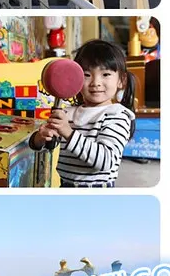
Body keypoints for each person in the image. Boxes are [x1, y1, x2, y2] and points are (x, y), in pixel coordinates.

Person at [30, 40, 136, 187]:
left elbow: (105, 161)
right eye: (86, 74)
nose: (95, 82)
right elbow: (47, 148)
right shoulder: (67, 112)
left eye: (105, 74)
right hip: (65, 186)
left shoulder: (117, 115)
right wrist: (40, 138)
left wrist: (68, 132)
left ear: (121, 80)